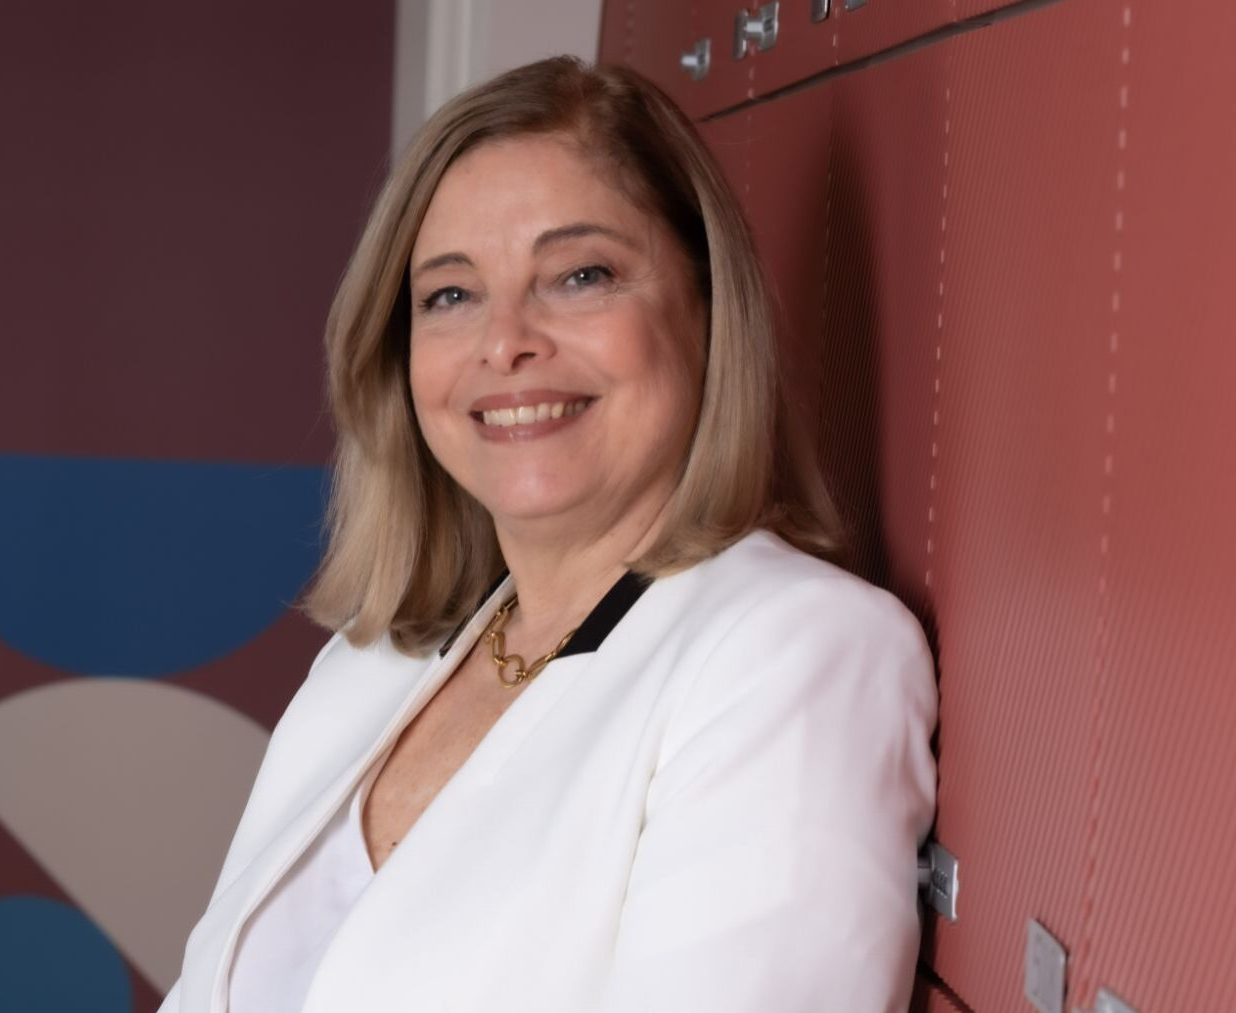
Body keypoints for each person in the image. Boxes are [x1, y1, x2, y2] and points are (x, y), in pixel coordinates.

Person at [158, 55, 937, 1012]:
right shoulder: (371, 667)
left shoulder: (794, 653)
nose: (506, 342)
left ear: (705, 306)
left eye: (579, 275)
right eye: (451, 294)